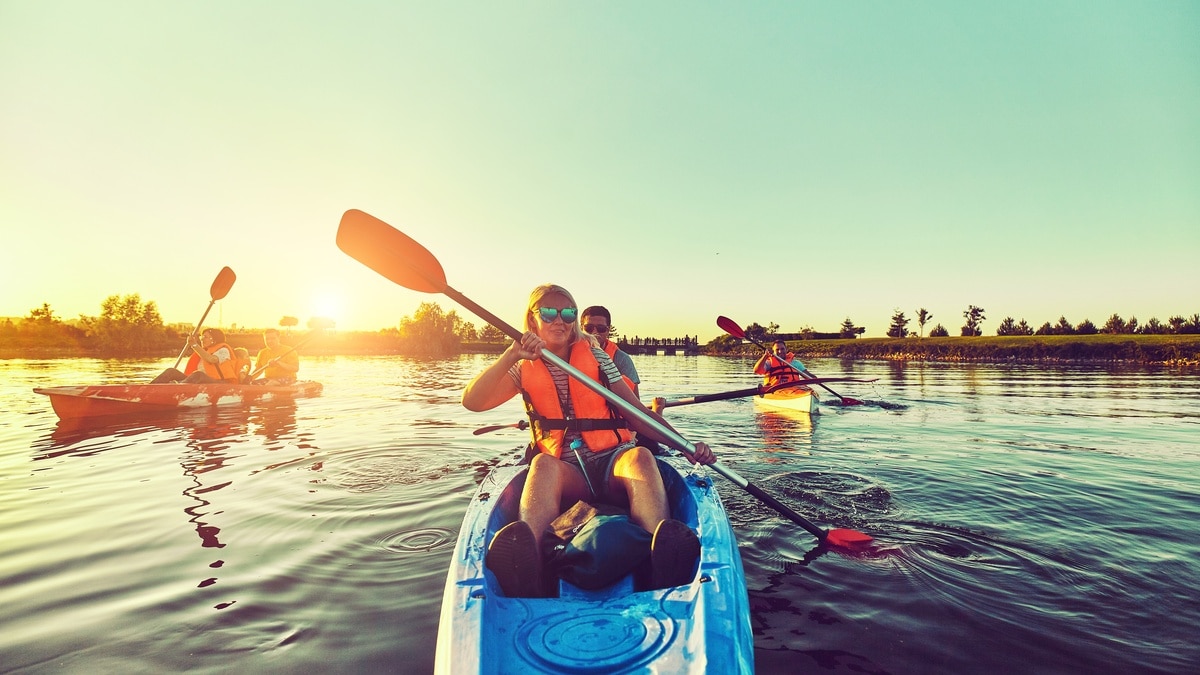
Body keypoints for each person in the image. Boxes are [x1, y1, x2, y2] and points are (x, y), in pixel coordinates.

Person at [462, 284, 716, 598]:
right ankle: (532, 567)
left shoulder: (597, 356)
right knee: (542, 464)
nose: (560, 320)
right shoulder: (521, 366)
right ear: (532, 319)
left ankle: (658, 556)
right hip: (569, 475)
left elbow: (637, 414)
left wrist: (686, 447)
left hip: (613, 463)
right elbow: (473, 401)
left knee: (640, 457)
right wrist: (511, 353)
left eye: (568, 312)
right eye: (549, 312)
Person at [580, 306, 640, 397]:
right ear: (581, 329)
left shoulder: (622, 360)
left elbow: (635, 402)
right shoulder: (567, 355)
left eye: (601, 328)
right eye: (589, 327)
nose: (594, 333)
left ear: (608, 331)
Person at [152, 328, 240, 384]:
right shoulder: (203, 351)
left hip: (221, 382)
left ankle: (177, 386)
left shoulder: (223, 350)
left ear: (215, 339)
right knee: (171, 371)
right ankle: (147, 388)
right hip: (200, 381)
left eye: (205, 337)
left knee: (198, 375)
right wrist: (193, 345)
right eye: (201, 337)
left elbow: (211, 359)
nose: (201, 339)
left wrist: (194, 345)